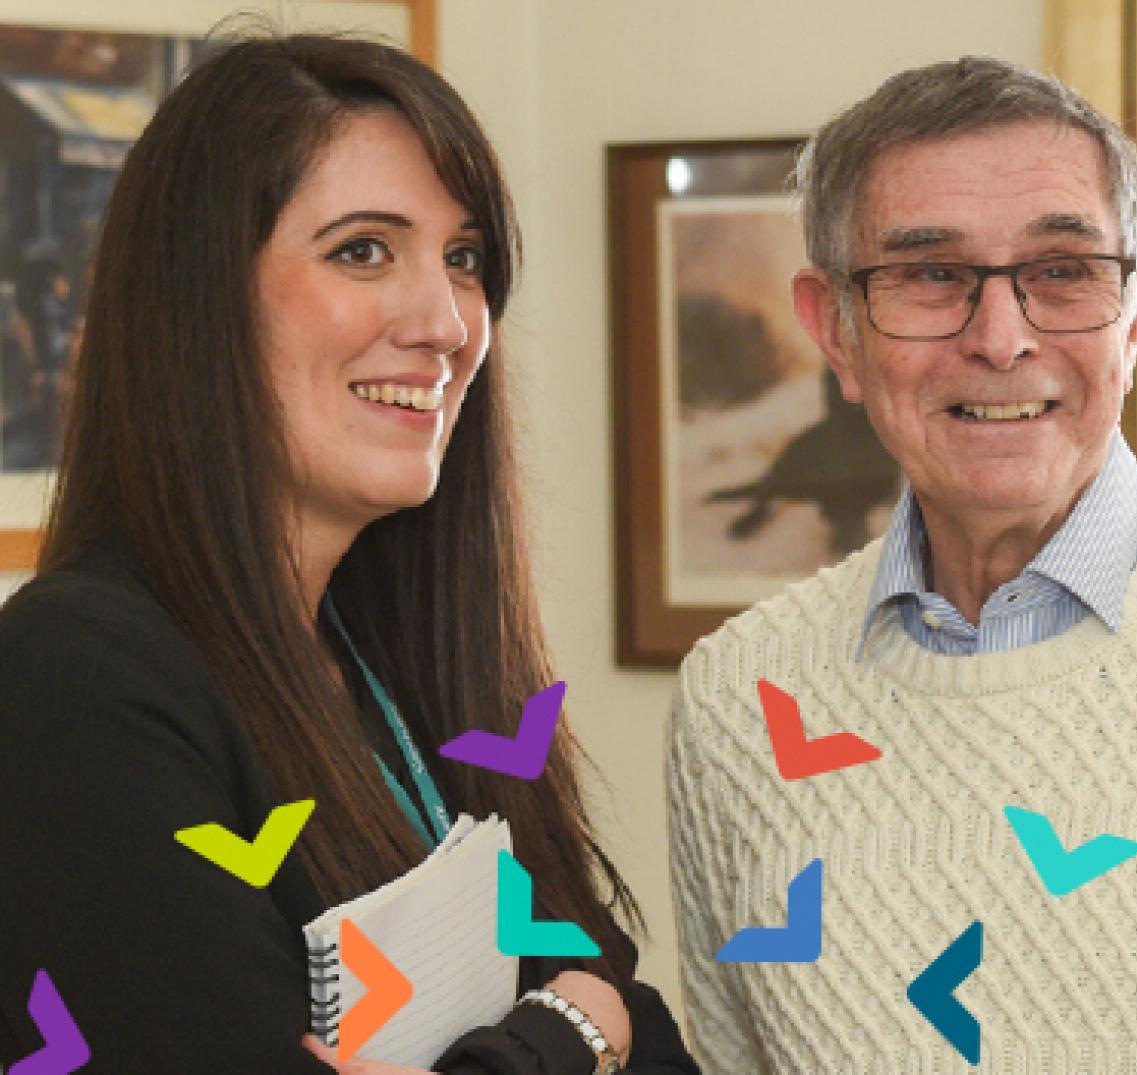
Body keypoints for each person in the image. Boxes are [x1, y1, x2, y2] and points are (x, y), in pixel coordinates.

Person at [0, 30, 698, 1075]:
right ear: (199, 302)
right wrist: (565, 1032)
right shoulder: (81, 676)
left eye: (462, 258)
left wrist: (586, 1020)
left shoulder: (411, 660)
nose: (445, 323)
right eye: (362, 249)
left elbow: (656, 1037)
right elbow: (603, 1006)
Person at [667, 55, 1137, 1072]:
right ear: (833, 327)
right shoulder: (734, 705)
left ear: (1136, 309)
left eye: (1060, 270)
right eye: (931, 276)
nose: (1001, 338)